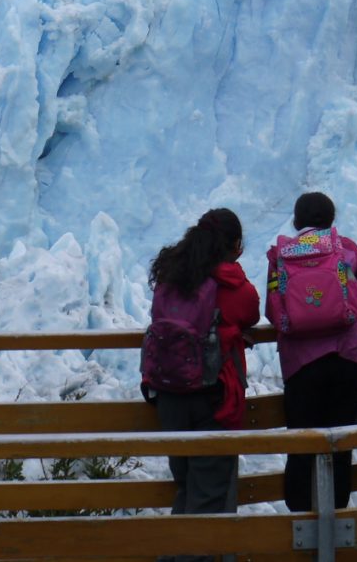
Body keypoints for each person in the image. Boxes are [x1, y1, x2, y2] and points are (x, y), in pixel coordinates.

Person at [148, 208, 260, 562]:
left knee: (186, 490)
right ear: (233, 246)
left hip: (169, 395)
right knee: (208, 497)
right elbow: (252, 310)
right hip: (213, 398)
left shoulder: (172, 274)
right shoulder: (229, 283)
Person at [266, 192, 357, 511]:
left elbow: (274, 311)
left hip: (301, 365)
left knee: (301, 442)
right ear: (331, 219)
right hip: (347, 359)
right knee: (339, 442)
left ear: (297, 220)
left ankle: (301, 525)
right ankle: (336, 520)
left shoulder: (281, 255)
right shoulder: (347, 249)